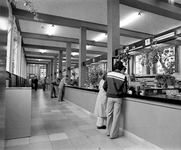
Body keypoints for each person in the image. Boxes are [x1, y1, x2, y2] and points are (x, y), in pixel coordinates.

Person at [103, 61, 127, 139]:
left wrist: (109, 91)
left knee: (109, 114)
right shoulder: (123, 76)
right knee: (116, 116)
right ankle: (113, 135)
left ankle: (108, 132)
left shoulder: (108, 74)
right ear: (121, 68)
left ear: (114, 66)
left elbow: (104, 86)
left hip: (109, 97)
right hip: (118, 98)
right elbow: (124, 90)